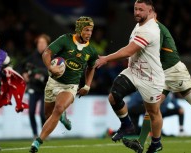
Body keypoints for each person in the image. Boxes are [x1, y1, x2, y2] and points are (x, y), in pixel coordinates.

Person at [122, 11, 191, 153]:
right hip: (162, 76)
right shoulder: (148, 30)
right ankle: (141, 142)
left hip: (175, 72)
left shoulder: (157, 29)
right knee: (151, 109)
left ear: (154, 16)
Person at [95, 0, 165, 152]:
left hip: (150, 78)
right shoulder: (141, 23)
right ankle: (127, 125)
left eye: (141, 10)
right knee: (113, 97)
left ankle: (156, 143)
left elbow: (128, 51)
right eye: (135, 9)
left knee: (153, 112)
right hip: (133, 71)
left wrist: (105, 58)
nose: (137, 12)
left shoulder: (149, 29)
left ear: (149, 11)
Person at [29, 16, 98, 153]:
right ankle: (62, 116)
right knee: (48, 114)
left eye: (91, 30)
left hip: (70, 86)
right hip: (53, 82)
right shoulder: (65, 39)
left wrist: (87, 86)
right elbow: (47, 53)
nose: (89, 33)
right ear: (79, 30)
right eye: (86, 30)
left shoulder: (91, 51)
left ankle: (37, 141)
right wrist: (50, 67)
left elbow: (91, 68)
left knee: (59, 107)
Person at [21, 34, 50, 139]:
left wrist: (41, 73)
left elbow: (54, 70)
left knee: (43, 114)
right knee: (31, 112)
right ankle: (34, 134)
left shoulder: (50, 56)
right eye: (39, 42)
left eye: (43, 43)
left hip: (45, 89)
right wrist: (24, 74)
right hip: (33, 87)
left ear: (47, 44)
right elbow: (21, 66)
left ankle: (44, 134)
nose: (41, 45)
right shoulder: (32, 57)